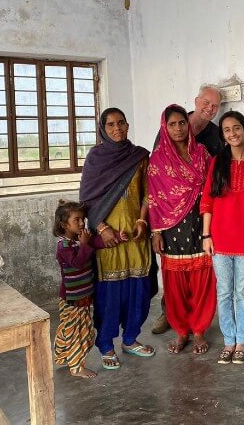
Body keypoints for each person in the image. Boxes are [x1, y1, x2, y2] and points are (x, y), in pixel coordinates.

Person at [79, 107, 154, 370]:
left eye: (121, 123)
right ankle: (107, 344)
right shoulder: (95, 159)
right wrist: (101, 228)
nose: (117, 129)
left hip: (136, 235)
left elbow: (148, 193)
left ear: (128, 125)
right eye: (110, 124)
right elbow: (87, 199)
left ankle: (131, 339)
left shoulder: (139, 157)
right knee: (110, 294)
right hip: (108, 239)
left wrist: (143, 220)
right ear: (103, 129)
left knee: (138, 290)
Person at [151, 84, 223, 335]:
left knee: (202, 276)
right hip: (170, 226)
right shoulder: (159, 156)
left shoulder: (205, 148)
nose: (209, 108)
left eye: (215, 106)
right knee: (174, 280)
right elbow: (155, 192)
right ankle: (176, 323)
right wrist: (156, 231)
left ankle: (200, 328)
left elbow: (214, 181)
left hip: (200, 221)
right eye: (206, 103)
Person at [200, 110, 244, 365]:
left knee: (243, 293)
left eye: (237, 128)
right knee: (224, 292)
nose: (233, 133)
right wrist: (206, 235)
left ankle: (241, 342)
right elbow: (208, 200)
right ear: (224, 136)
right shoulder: (218, 162)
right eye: (227, 130)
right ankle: (228, 341)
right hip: (220, 239)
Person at [52, 200, 98, 379]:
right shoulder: (63, 247)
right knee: (81, 333)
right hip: (72, 299)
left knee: (71, 329)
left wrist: (114, 239)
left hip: (83, 296)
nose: (81, 223)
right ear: (64, 224)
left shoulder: (79, 241)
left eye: (83, 219)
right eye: (76, 220)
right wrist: (85, 244)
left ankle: (62, 354)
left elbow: (94, 246)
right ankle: (77, 367)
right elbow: (78, 263)